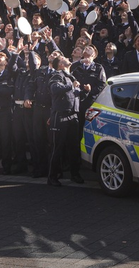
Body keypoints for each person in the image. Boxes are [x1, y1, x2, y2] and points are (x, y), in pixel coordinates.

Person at [47, 56, 86, 186]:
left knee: (74, 148)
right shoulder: (57, 75)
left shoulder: (71, 76)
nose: (68, 58)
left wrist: (85, 92)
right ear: (60, 65)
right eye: (64, 58)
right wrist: (71, 85)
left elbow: (75, 95)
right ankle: (52, 177)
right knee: (57, 148)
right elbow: (55, 89)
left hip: (73, 116)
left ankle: (75, 174)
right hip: (60, 116)